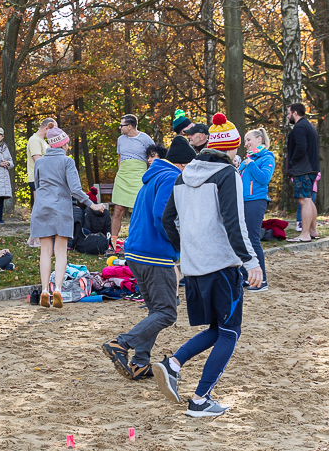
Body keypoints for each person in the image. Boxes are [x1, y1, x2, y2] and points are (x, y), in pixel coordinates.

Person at [154, 144, 263, 418]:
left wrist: (185, 249)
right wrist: (251, 261)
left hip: (194, 268)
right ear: (232, 149)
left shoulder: (183, 175)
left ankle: (174, 364)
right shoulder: (227, 173)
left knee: (218, 327)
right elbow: (234, 221)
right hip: (222, 265)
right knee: (230, 331)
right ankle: (200, 399)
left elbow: (168, 220)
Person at [102, 139, 187, 380]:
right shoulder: (171, 177)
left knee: (156, 311)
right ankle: (121, 344)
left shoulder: (151, 178)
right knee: (168, 312)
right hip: (155, 255)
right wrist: (179, 244)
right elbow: (163, 216)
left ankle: (140, 362)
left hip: (136, 252)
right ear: (182, 163)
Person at [29, 128, 105, 307]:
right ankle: (58, 289)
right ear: (63, 144)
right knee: (61, 252)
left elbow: (38, 186)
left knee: (45, 252)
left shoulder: (39, 163)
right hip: (61, 210)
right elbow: (75, 189)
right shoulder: (67, 162)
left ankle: (45, 290)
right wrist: (92, 204)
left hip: (41, 210)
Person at [239, 128, 275, 293]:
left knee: (253, 239)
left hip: (256, 201)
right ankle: (247, 278)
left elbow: (264, 179)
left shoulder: (267, 157)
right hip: (243, 201)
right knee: (242, 239)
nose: (246, 144)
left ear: (259, 139)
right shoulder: (248, 159)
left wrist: (251, 164)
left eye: (248, 140)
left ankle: (262, 281)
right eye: (245, 141)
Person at [112, 114, 154, 240]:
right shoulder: (121, 139)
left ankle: (136, 241)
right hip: (123, 177)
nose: (120, 127)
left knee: (139, 211)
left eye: (122, 125)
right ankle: (113, 243)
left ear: (130, 126)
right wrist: (121, 172)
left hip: (138, 177)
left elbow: (153, 157)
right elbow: (120, 157)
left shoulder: (146, 139)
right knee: (118, 210)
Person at [286, 102, 321, 241]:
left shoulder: (299, 127)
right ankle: (312, 231)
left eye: (289, 113)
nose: (288, 116)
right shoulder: (309, 126)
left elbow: (301, 147)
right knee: (309, 200)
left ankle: (305, 234)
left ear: (295, 113)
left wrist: (293, 162)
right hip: (311, 167)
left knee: (304, 200)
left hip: (303, 169)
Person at [26, 118, 56, 201]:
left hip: (44, 178)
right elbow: (39, 161)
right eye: (53, 130)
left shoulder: (43, 141)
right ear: (46, 128)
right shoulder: (35, 140)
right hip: (38, 179)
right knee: (41, 208)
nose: (54, 133)